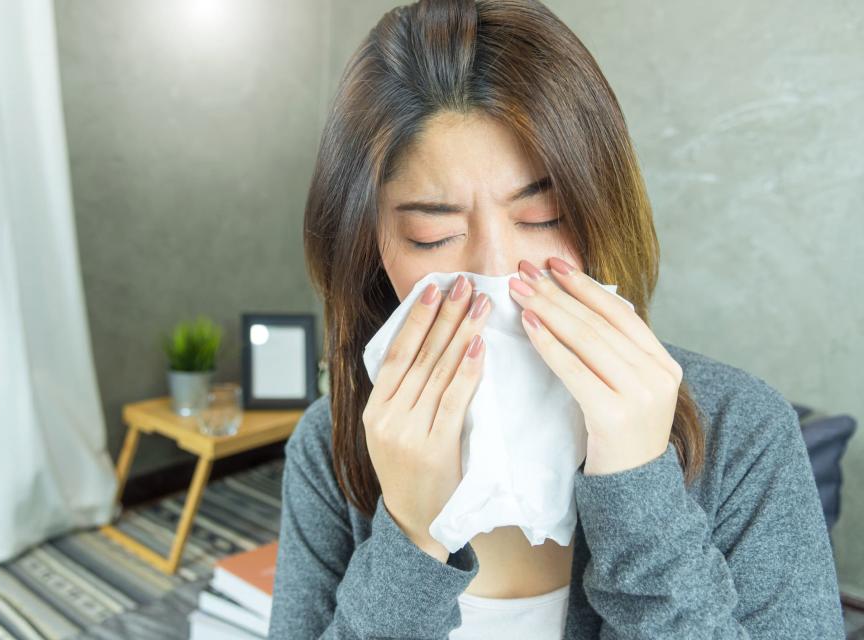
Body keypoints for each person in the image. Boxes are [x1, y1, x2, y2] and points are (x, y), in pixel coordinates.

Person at [268, 0, 845, 638]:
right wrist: (410, 533)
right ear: (374, 251)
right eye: (432, 233)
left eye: (542, 217)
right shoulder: (331, 445)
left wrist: (638, 494)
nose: (498, 268)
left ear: (603, 209)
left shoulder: (745, 433)